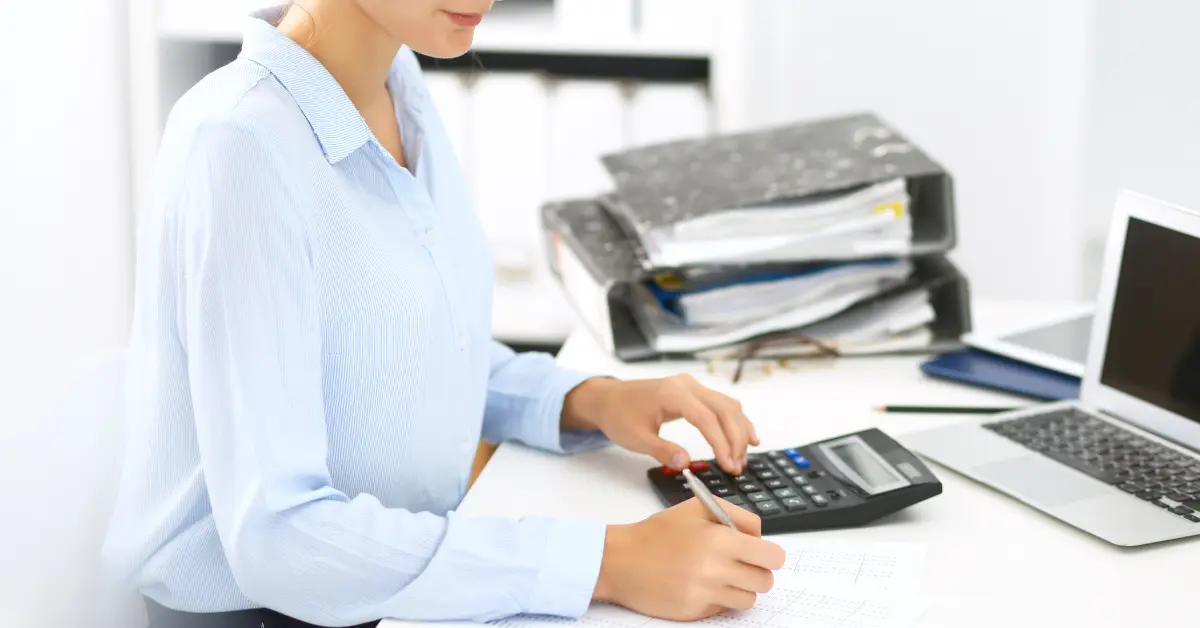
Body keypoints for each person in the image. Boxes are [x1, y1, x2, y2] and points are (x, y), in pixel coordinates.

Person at [101, 2, 786, 627]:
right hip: (266, 613)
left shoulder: (399, 81)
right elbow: (278, 538)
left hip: (396, 582)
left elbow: (395, 352)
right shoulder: (239, 142)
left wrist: (587, 399)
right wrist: (608, 563)